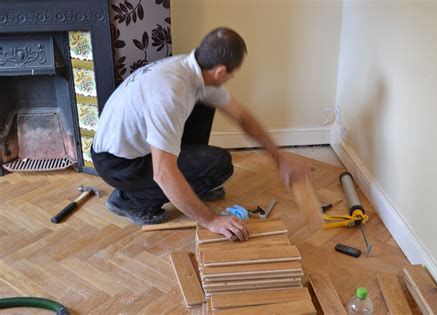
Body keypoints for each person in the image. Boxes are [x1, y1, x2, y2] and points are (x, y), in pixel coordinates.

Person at [91, 27, 308, 241]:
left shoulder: (191, 69)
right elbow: (163, 173)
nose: (231, 78)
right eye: (233, 74)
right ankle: (131, 199)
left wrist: (280, 159)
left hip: (126, 149)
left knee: (206, 103)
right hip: (118, 165)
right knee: (219, 164)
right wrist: (211, 220)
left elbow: (241, 117)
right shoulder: (170, 95)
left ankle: (192, 183)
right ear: (220, 71)